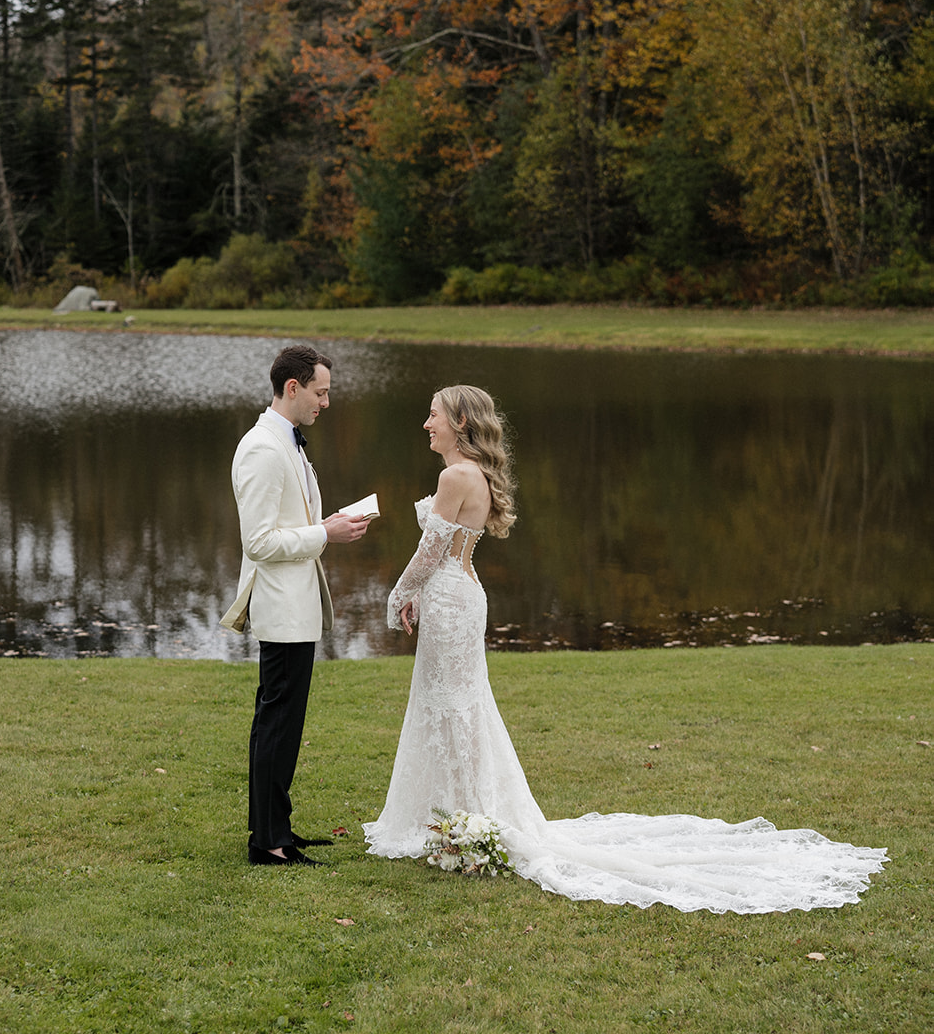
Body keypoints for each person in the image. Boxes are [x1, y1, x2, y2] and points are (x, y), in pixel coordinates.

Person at [364, 384, 887, 913]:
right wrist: (416, 592)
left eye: (433, 416)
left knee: (454, 705)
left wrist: (399, 594)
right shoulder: (471, 474)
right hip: (461, 596)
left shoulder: (454, 476)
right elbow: (440, 551)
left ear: (457, 421)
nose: (426, 424)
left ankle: (468, 817)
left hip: (451, 600)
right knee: (456, 705)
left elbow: (431, 552)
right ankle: (459, 812)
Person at [223, 343, 368, 866]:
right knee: (277, 723)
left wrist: (330, 529)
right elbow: (258, 542)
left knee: (285, 724)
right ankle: (267, 843)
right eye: (321, 392)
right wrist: (324, 533)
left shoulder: (289, 442)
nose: (326, 403)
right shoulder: (263, 448)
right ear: (293, 388)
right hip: (280, 609)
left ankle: (276, 828)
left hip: (296, 607)